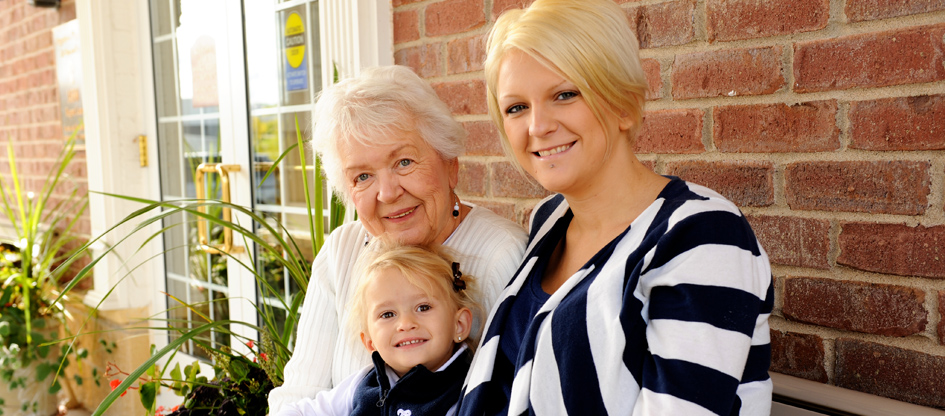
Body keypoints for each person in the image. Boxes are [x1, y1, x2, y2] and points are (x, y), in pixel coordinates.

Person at [458, 0, 773, 415]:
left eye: (565, 94)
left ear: (623, 104)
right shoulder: (550, 220)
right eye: (517, 107)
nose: (537, 126)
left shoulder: (702, 236)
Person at [268, 65, 528, 412]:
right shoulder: (341, 253)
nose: (388, 193)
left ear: (450, 164)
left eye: (404, 162)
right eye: (363, 176)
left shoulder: (501, 254)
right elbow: (296, 399)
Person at [273, 242, 480, 416]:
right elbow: (307, 411)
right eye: (388, 314)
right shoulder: (364, 383)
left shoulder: (466, 390)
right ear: (370, 342)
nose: (406, 323)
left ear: (459, 324)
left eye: (423, 307)